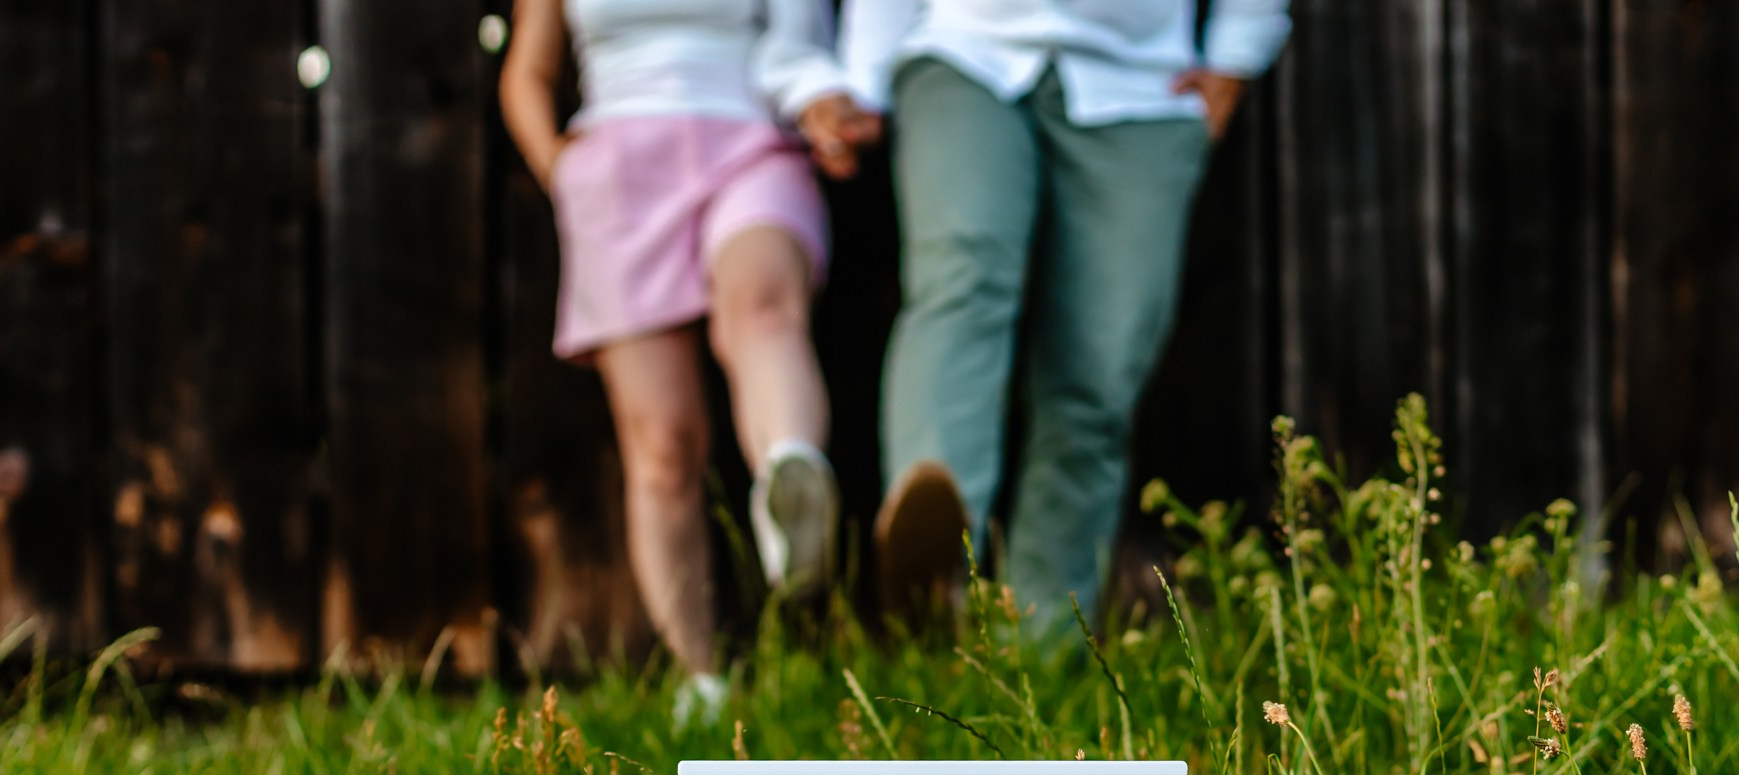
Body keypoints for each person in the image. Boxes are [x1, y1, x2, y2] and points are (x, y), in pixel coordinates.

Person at [830, 0, 1293, 632]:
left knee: (1098, 371)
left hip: (1141, 87)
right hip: (967, 54)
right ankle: (934, 551)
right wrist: (864, 79)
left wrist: (1238, 52)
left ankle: (1043, 649)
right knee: (966, 270)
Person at [500, 0, 878, 717]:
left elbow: (800, 44)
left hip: (751, 142)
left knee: (763, 311)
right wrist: (562, 171)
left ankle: (790, 480)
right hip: (616, 165)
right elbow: (527, 72)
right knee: (663, 444)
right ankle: (702, 678)